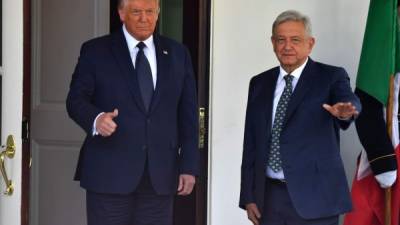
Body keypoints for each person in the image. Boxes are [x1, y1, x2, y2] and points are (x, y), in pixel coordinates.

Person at [66, 0, 199, 224]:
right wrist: (97, 119)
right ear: (121, 14)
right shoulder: (96, 51)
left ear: (157, 14)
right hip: (109, 174)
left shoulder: (178, 53)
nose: (144, 18)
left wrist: (189, 166)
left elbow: (187, 116)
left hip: (160, 176)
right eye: (136, 12)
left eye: (150, 11)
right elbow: (75, 100)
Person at [239, 10, 361, 225]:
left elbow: (348, 101)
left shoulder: (331, 76)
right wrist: (248, 196)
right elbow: (251, 143)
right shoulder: (259, 83)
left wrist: (346, 111)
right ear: (272, 43)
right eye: (281, 40)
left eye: (295, 40)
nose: (287, 46)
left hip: (316, 198)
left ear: (310, 43)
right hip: (268, 198)